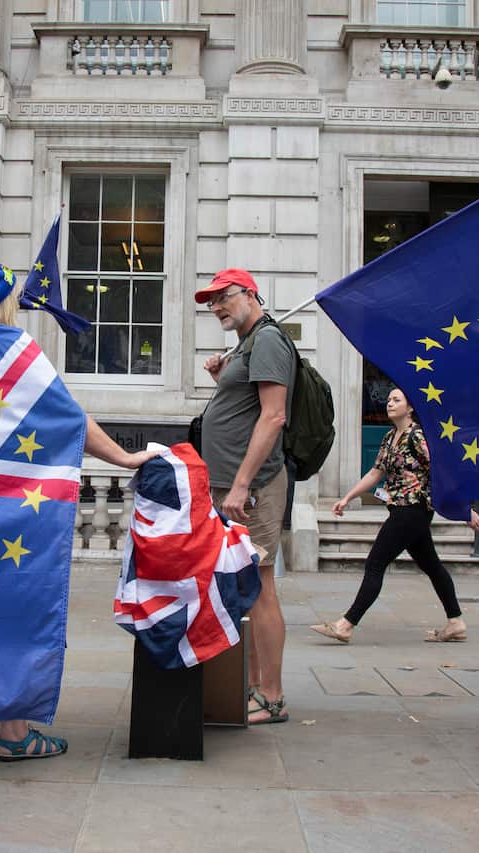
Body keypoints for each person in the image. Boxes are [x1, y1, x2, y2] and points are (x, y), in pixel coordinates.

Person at [0, 262, 159, 758]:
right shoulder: (12, 349)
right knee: (10, 606)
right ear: (4, 303)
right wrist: (128, 457)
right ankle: (13, 734)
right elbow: (68, 417)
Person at [195, 268, 293, 725]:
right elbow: (244, 410)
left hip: (251, 489)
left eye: (224, 297)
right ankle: (251, 686)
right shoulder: (248, 344)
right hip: (233, 486)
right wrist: (222, 378)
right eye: (211, 301)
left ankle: (271, 695)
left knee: (260, 587)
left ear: (250, 294)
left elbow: (273, 417)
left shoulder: (268, 339)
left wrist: (240, 484)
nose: (216, 306)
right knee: (242, 587)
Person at [310, 388, 479, 644]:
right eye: (389, 399)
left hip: (411, 511)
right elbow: (376, 472)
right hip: (405, 511)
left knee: (375, 564)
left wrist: (463, 510)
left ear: (410, 407)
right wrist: (347, 497)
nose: (389, 403)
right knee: (432, 566)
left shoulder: (417, 436)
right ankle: (455, 621)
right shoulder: (390, 437)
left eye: (396, 400)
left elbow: (443, 471)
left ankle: (345, 625)